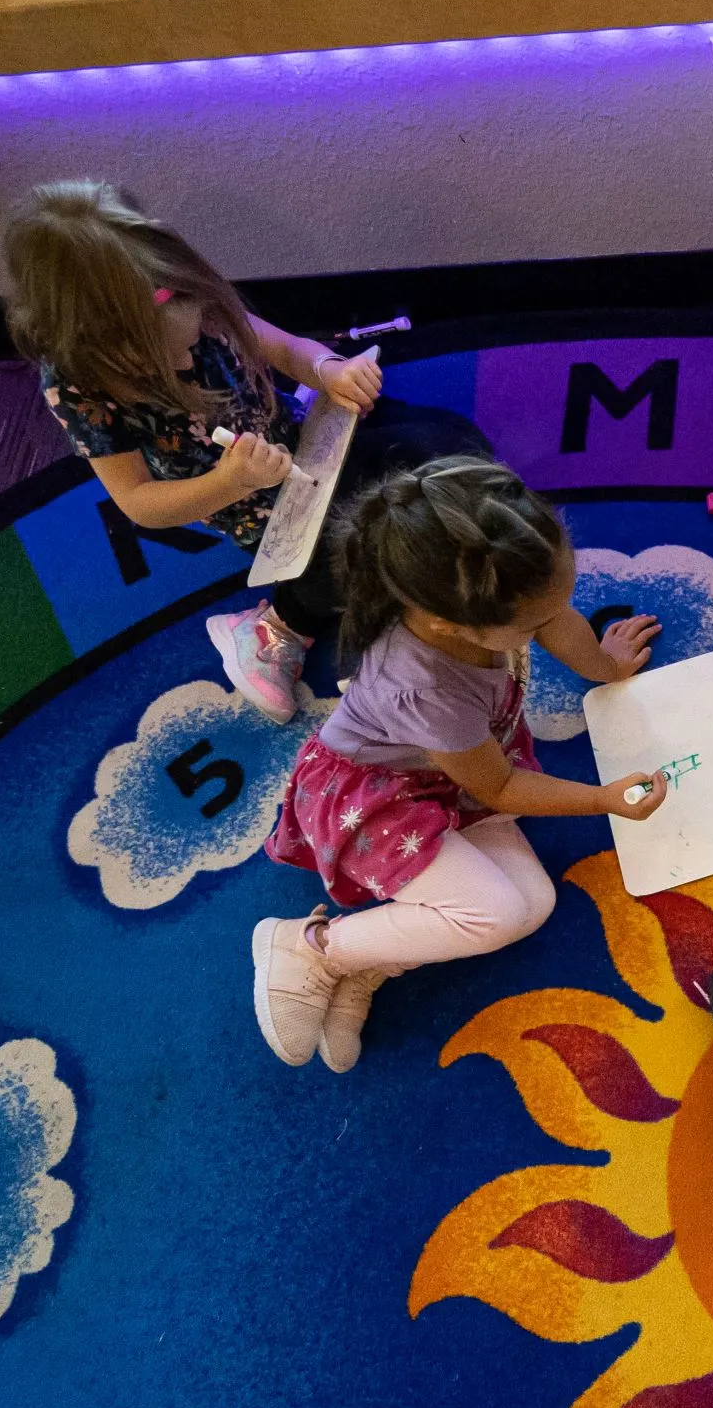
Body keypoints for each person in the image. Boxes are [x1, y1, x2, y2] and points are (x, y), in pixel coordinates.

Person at [4, 180, 488, 722]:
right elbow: (138, 502)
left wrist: (329, 370)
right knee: (351, 558)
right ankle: (273, 629)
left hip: (307, 439)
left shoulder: (186, 297)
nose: (193, 353)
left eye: (196, 339)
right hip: (258, 507)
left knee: (438, 437)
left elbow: (282, 347)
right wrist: (231, 482)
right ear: (112, 350)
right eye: (178, 354)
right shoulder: (77, 385)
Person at [250, 457, 669, 1071]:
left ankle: (373, 958)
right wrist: (603, 800)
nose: (549, 623)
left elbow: (553, 619)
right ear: (452, 624)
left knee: (532, 904)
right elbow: (499, 786)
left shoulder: (477, 592)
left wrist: (604, 667)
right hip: (377, 793)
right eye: (532, 622)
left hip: (454, 771)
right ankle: (315, 947)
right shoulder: (421, 687)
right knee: (495, 915)